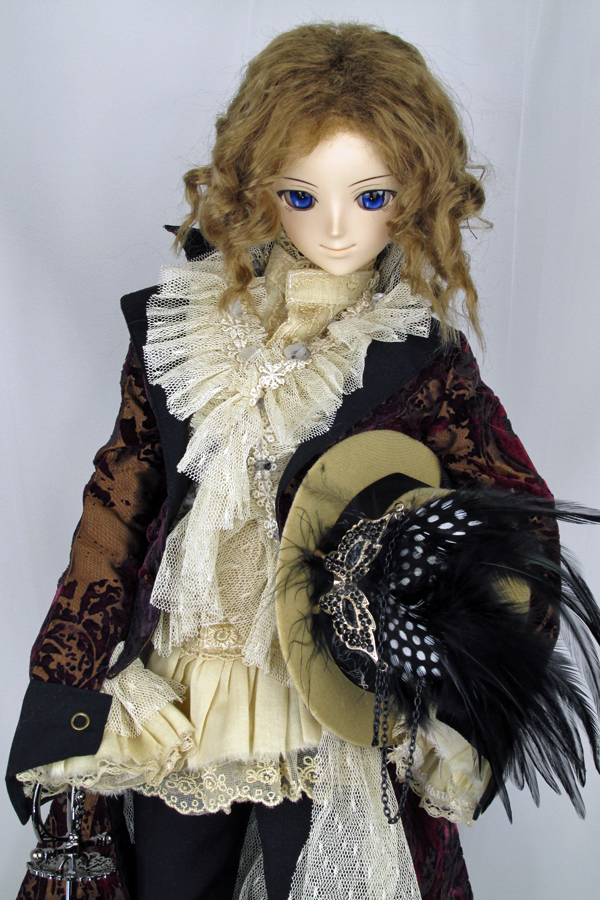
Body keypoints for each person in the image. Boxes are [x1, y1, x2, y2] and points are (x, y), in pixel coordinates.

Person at [7, 21, 561, 900]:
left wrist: (446, 683)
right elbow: (115, 510)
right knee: (169, 876)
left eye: (371, 197)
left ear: (417, 194)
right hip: (184, 690)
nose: (337, 227)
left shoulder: (420, 356)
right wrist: (64, 694)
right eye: (302, 195)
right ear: (256, 186)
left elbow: (517, 527)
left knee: (322, 873)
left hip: (328, 698)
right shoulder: (183, 331)